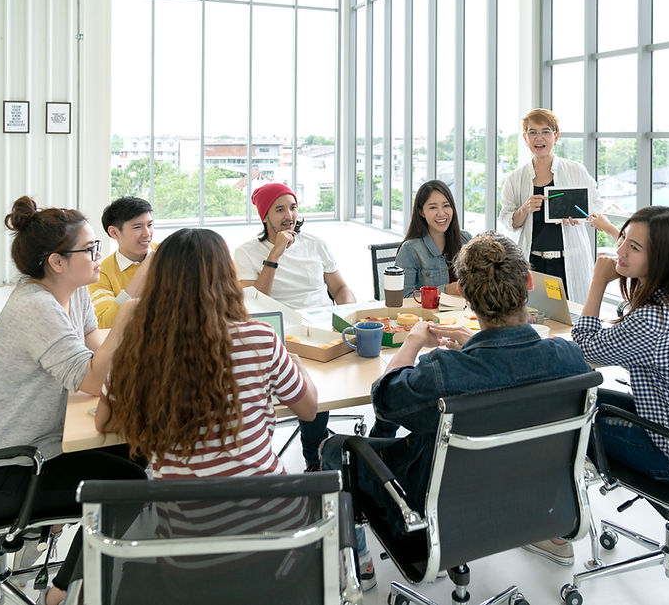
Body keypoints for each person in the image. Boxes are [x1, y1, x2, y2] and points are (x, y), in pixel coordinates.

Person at [321, 231, 593, 585]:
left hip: (441, 515)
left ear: (462, 293)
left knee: (333, 449)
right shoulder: (569, 357)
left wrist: (414, 342)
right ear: (528, 283)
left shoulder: (444, 371)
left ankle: (358, 567)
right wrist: (476, 346)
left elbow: (384, 400)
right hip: (535, 505)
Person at [94, 228, 319, 603]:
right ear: (227, 279)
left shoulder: (141, 348)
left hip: (192, 551)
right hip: (282, 536)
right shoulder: (260, 338)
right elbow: (309, 409)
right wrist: (296, 366)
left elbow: (102, 420)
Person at [0, 197, 147, 605]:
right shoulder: (35, 308)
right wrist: (127, 315)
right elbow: (91, 378)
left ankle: (69, 568)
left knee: (136, 453)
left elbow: (94, 343)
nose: (99, 256)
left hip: (34, 449)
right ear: (56, 262)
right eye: (90, 249)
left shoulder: (72, 292)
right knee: (131, 487)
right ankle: (61, 592)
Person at [571, 206, 669, 492]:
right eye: (622, 239)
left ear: (661, 259)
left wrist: (598, 282)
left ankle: (559, 517)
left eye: (634, 247)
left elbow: (585, 351)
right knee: (577, 398)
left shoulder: (652, 320)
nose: (620, 251)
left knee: (565, 417)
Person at [234, 182, 355, 471]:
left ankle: (319, 446)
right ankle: (314, 458)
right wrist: (275, 254)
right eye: (279, 209)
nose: (289, 215)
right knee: (314, 384)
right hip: (277, 334)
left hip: (323, 328)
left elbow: (340, 288)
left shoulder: (316, 244)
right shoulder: (246, 252)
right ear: (265, 217)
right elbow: (254, 303)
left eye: (293, 207)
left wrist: (348, 312)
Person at [499, 108, 604, 302]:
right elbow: (508, 221)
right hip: (533, 261)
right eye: (533, 132)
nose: (539, 138)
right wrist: (524, 209)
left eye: (546, 131)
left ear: (556, 136)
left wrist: (578, 216)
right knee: (533, 313)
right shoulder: (515, 178)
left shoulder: (575, 170)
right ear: (525, 137)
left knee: (573, 314)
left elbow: (596, 205)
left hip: (569, 259)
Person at [394, 179, 472, 298]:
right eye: (433, 207)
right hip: (429, 316)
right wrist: (445, 290)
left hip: (464, 315)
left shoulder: (465, 239)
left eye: (446, 205)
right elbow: (401, 299)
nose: (441, 213)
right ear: (421, 212)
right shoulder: (410, 249)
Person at [88, 196, 156, 328]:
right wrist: (142, 273)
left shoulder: (168, 253)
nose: (147, 233)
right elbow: (105, 324)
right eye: (137, 227)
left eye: (150, 225)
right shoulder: (102, 273)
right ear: (114, 232)